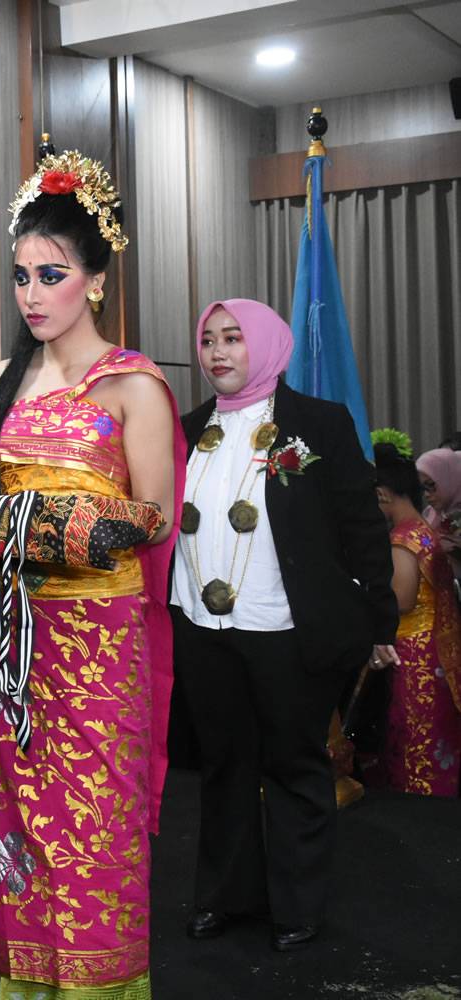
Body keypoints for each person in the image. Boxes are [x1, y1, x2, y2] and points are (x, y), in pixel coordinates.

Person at [0, 150, 181, 999]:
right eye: (20, 275)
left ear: (92, 280)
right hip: (14, 640)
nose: (30, 294)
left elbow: (156, 516)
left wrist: (70, 527)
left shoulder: (132, 385)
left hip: (100, 644)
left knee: (94, 830)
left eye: (50, 274)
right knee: (11, 829)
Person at [172, 298, 399, 953]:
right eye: (209, 339)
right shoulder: (185, 430)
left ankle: (296, 904)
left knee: (296, 765)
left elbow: (361, 524)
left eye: (234, 338)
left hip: (287, 629)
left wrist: (379, 617)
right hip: (203, 629)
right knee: (224, 766)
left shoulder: (316, 425)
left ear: (267, 344)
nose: (218, 352)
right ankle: (226, 896)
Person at [372, 445, 461, 795]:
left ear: (382, 494)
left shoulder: (401, 539)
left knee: (417, 736)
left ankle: (419, 808)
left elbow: (403, 601)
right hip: (436, 647)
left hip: (414, 655)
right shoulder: (424, 528)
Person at [417, 447, 461, 581]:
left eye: (431, 486)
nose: (427, 495)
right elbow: (422, 543)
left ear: (451, 478)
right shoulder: (430, 514)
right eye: (423, 488)